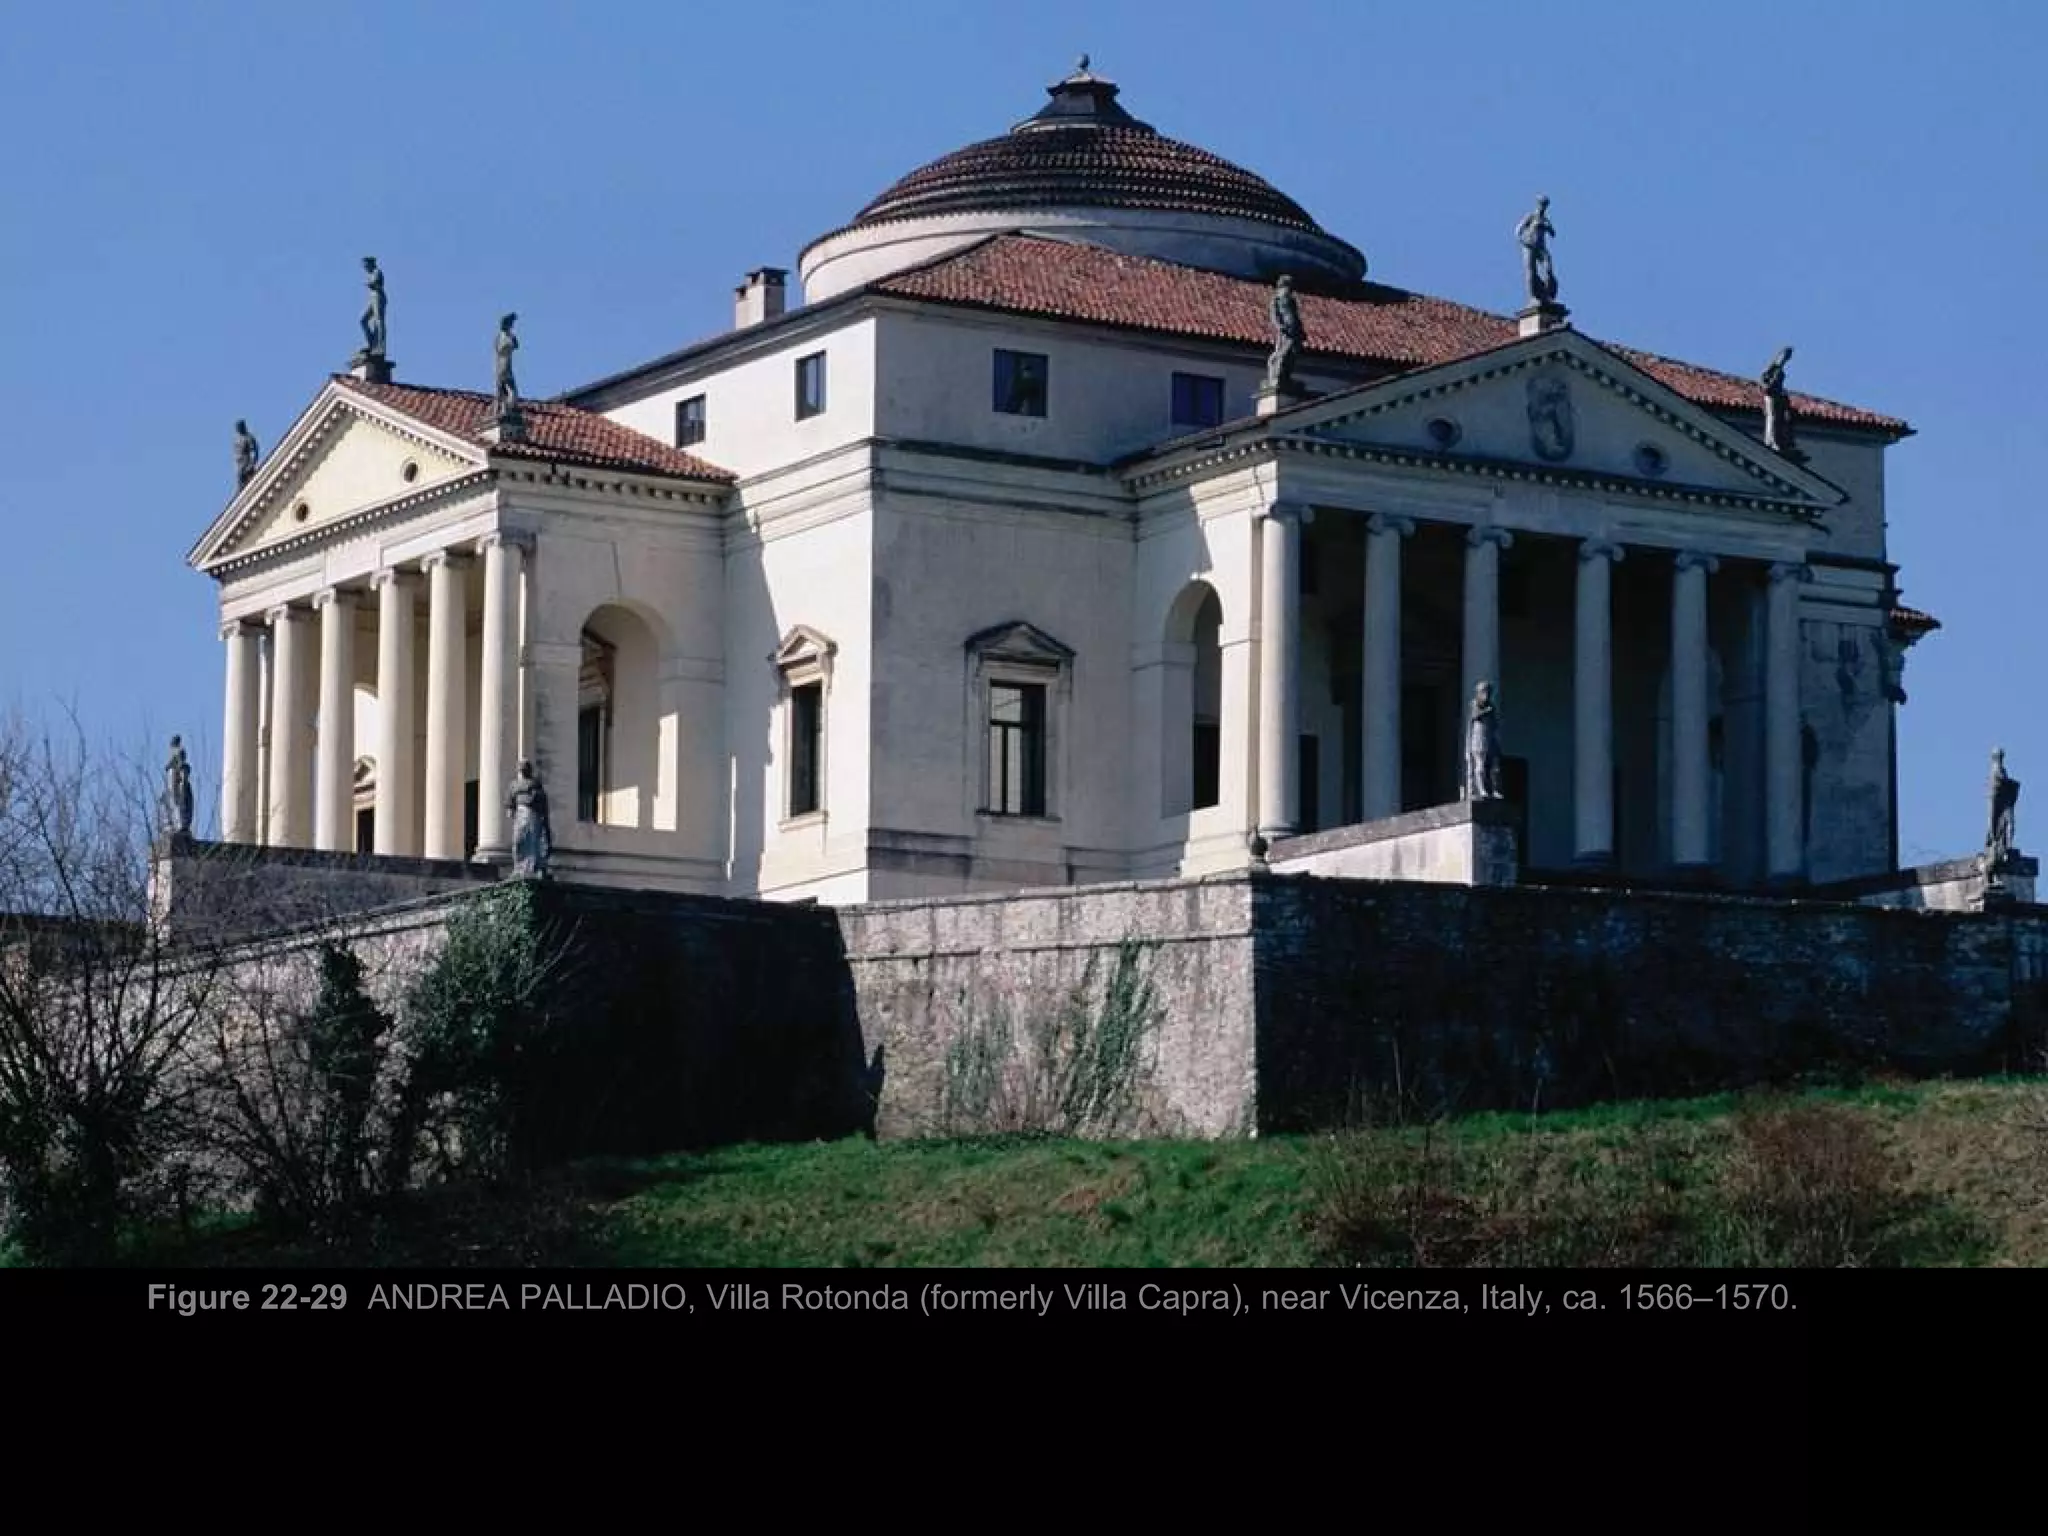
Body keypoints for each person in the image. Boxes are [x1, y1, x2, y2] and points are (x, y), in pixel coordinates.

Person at [509, 760, 552, 877]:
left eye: (525, 768)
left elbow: (540, 801)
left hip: (531, 815)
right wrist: (511, 809)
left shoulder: (535, 784)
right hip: (521, 815)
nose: (523, 770)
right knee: (519, 841)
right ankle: (519, 866)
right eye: (521, 768)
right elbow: (510, 800)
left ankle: (531, 867)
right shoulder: (514, 785)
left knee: (532, 841)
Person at [1516, 196, 1558, 306]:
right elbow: (1518, 231)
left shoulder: (1545, 219)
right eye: (1541, 204)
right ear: (1538, 205)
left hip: (1541, 248)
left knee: (1548, 269)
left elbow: (1553, 234)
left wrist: (1548, 227)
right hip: (1529, 246)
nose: (1543, 207)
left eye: (1545, 205)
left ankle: (1547, 294)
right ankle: (1533, 297)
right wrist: (1525, 241)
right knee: (1531, 271)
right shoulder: (1531, 216)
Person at [1465, 681, 1503, 801]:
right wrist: (1487, 711)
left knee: (1495, 766)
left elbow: (1495, 724)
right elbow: (1474, 716)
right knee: (1479, 765)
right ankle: (1481, 789)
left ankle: (1495, 789)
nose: (1486, 695)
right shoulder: (1474, 704)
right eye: (1484, 692)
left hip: (1490, 737)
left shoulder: (1491, 706)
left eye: (1488, 692)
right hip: (1478, 738)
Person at [1265, 275, 1304, 391]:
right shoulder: (1276, 299)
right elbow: (1274, 315)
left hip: (1294, 328)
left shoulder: (1291, 299)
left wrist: (1300, 329)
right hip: (1286, 329)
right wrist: (1279, 326)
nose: (1290, 289)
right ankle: (1277, 372)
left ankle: (1285, 375)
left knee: (1293, 353)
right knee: (1283, 351)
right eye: (1288, 286)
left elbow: (1295, 315)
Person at [359, 257, 387, 359]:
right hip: (372, 298)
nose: (365, 267)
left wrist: (372, 284)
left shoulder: (377, 272)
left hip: (378, 297)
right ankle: (371, 344)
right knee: (363, 320)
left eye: (365, 265)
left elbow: (377, 285)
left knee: (379, 321)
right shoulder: (371, 273)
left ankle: (380, 346)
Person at [494, 313, 520, 417]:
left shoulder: (498, 337)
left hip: (498, 367)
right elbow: (516, 345)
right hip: (505, 367)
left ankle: (500, 408)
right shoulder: (507, 336)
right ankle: (509, 408)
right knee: (511, 390)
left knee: (501, 390)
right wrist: (512, 337)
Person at [234, 420, 259, 488]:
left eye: (239, 427)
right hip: (240, 465)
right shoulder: (237, 439)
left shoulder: (249, 437)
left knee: (250, 481)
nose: (238, 429)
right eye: (237, 428)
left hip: (246, 463)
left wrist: (251, 464)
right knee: (241, 483)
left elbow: (253, 451)